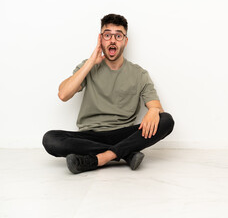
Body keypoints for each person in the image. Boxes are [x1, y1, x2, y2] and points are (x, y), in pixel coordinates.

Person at [42, 14, 175, 174]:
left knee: (166, 120)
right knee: (50, 139)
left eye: (118, 36)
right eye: (107, 35)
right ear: (100, 39)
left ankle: (100, 158)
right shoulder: (88, 66)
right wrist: (91, 61)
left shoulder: (139, 74)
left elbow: (156, 107)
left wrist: (154, 110)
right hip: (90, 136)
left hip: (124, 134)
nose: (112, 40)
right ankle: (125, 153)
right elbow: (63, 94)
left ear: (125, 41)